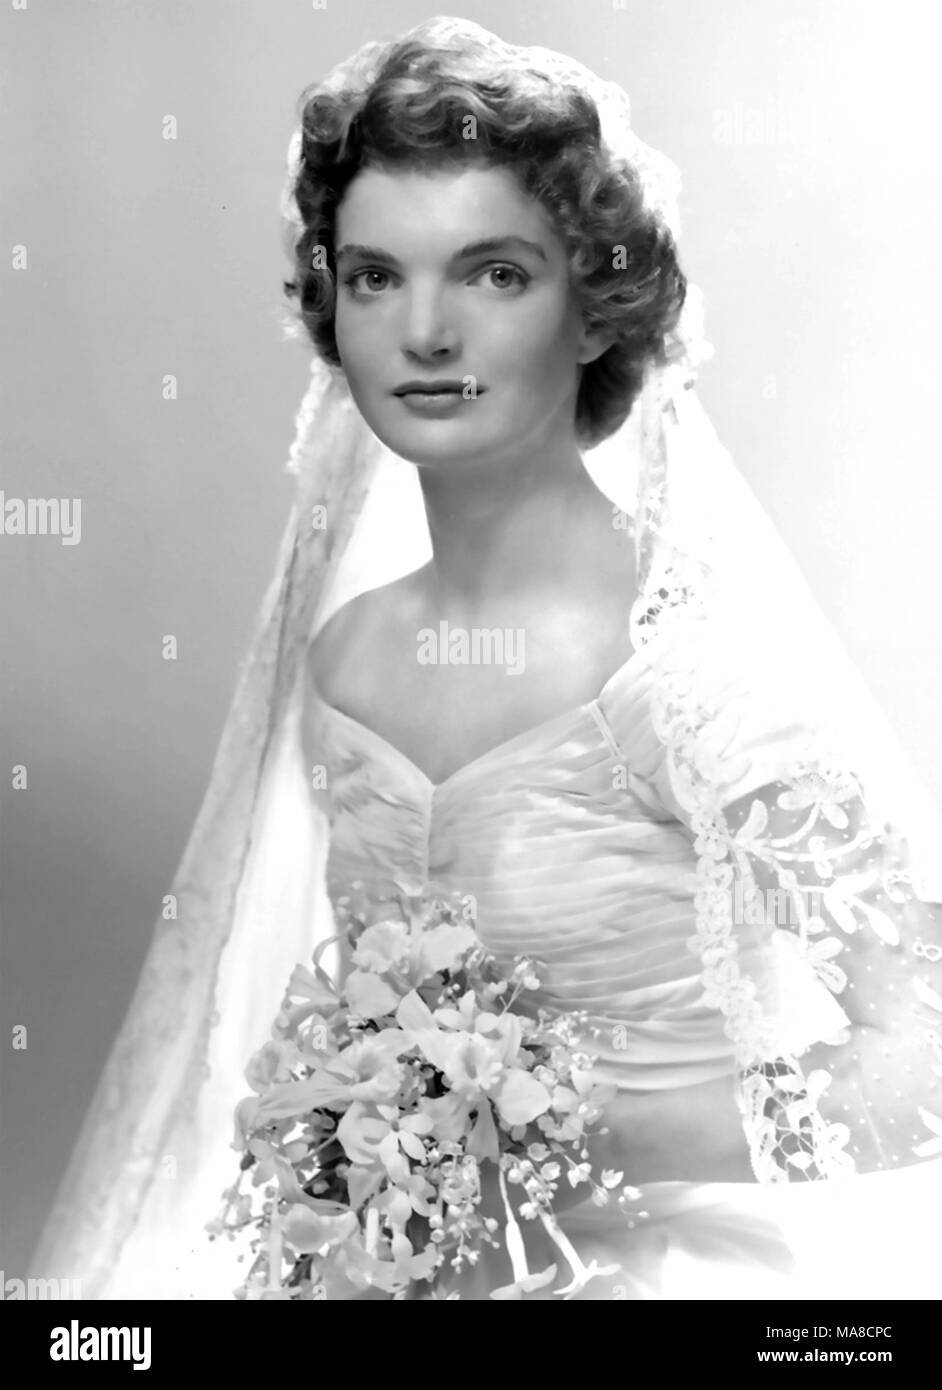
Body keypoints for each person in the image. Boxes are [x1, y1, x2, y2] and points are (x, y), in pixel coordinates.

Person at [29, 16, 942, 1300]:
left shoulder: (688, 663)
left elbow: (927, 1059)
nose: (427, 332)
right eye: (376, 277)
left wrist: (558, 1129)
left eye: (495, 274)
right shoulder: (343, 657)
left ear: (594, 307)